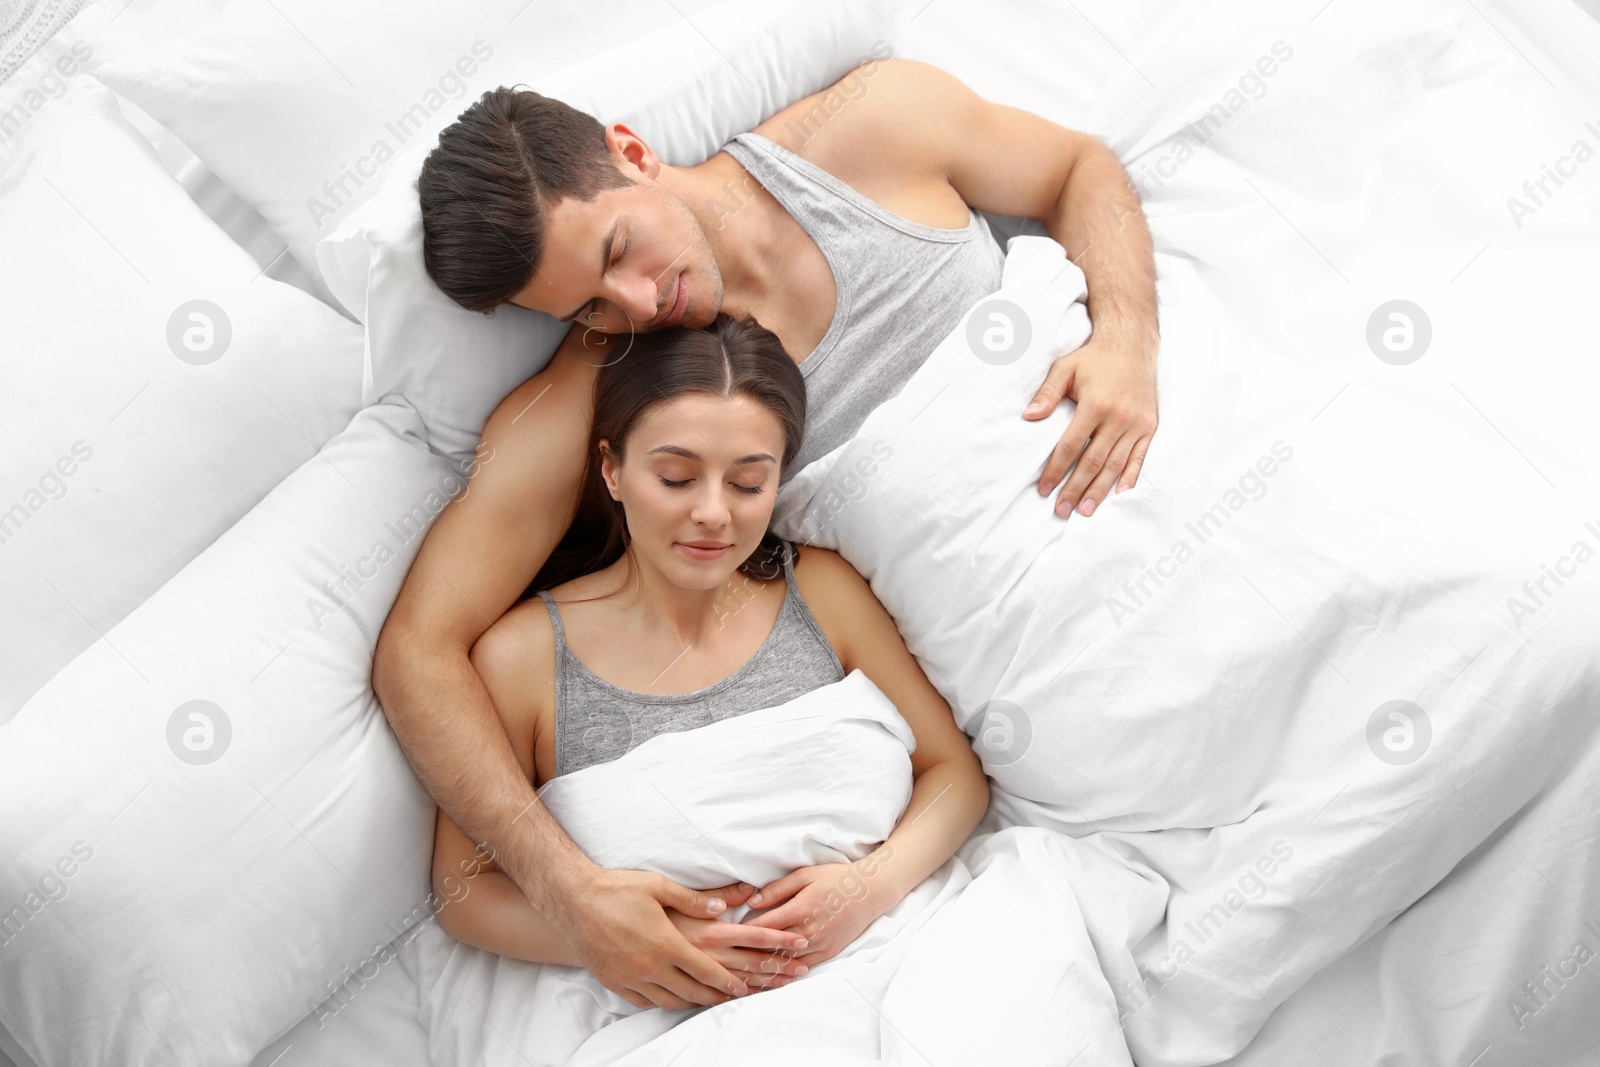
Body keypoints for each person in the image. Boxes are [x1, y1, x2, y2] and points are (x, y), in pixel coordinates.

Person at [374, 57, 1159, 1010]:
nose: (630, 306)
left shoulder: (870, 128)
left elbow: (1079, 167)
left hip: (1134, 481)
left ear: (632, 152)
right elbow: (418, 650)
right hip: (1035, 652)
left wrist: (1124, 338)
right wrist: (570, 893)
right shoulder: (600, 394)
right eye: (586, 304)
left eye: (620, 248)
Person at [430, 313, 989, 1009]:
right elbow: (464, 891)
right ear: (612, 468)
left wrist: (868, 887)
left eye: (749, 484)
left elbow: (954, 772)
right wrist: (609, 936)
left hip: (906, 966)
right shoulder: (521, 659)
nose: (713, 514)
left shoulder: (823, 591)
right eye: (676, 477)